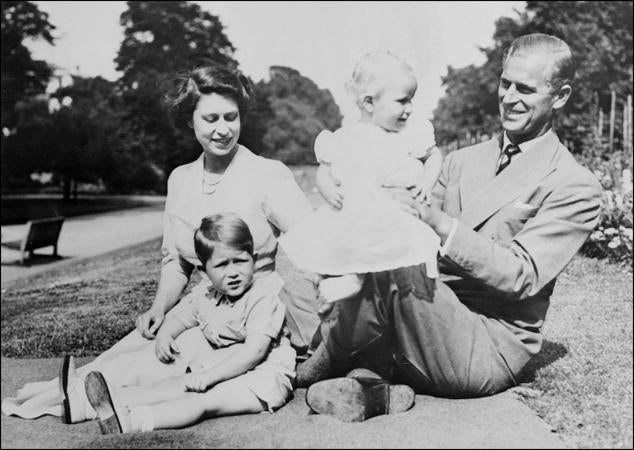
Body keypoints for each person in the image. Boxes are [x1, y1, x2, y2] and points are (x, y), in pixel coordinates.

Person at [297, 33, 603, 420]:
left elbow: (520, 275)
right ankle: (373, 385)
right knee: (352, 244)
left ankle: (333, 359)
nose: (509, 98)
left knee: (392, 254)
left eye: (525, 89)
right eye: (505, 83)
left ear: (559, 97)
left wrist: (436, 221)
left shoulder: (573, 183)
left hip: (486, 341)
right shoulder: (462, 161)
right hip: (423, 306)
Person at [2, 63, 320, 423]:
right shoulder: (181, 180)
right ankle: (66, 391)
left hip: (246, 316)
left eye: (231, 117)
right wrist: (159, 308)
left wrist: (317, 321)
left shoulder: (267, 174)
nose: (223, 129)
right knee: (118, 354)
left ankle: (76, 405)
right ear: (190, 121)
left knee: (142, 366)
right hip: (203, 304)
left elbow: (313, 245)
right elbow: (177, 262)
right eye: (211, 118)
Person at [79, 213, 295, 433]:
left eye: (240, 261)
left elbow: (255, 351)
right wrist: (165, 336)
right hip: (227, 370)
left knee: (203, 401)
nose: (233, 273)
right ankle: (103, 405)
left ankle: (132, 422)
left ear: (254, 259)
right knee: (175, 384)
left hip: (263, 378)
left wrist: (209, 377)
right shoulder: (209, 297)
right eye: (221, 265)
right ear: (204, 271)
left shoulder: (262, 297)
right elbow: (180, 318)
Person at [279, 51, 443, 305]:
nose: (409, 109)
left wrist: (426, 182)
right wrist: (327, 189)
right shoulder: (346, 137)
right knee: (335, 238)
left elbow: (434, 156)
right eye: (402, 101)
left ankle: (355, 278)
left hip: (393, 212)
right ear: (369, 103)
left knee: (377, 233)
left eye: (412, 100)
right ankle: (333, 276)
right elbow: (325, 168)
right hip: (355, 209)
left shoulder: (410, 134)